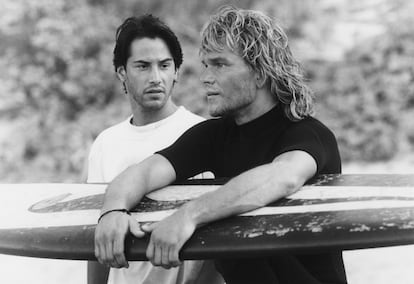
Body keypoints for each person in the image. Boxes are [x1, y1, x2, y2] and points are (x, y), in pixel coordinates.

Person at [95, 6, 347, 284]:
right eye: (205, 65)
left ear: (260, 72)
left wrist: (188, 216)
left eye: (220, 64)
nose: (206, 77)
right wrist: (113, 210)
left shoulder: (308, 133)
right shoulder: (213, 136)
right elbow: (143, 173)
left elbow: (283, 176)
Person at [87, 15, 223, 284]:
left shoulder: (204, 136)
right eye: (142, 66)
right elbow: (97, 234)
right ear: (121, 73)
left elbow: (218, 244)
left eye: (164, 65)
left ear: (177, 72)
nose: (156, 77)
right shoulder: (106, 142)